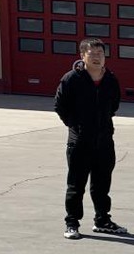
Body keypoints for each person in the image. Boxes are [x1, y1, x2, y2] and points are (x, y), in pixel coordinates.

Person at [53, 38, 128, 240]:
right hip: (80, 142)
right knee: (76, 185)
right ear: (82, 56)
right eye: (92, 54)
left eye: (100, 54)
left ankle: (102, 220)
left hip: (104, 141)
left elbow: (114, 105)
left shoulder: (110, 79)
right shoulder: (71, 79)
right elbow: (60, 106)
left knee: (102, 185)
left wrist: (102, 125)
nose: (97, 58)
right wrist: (76, 126)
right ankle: (72, 223)